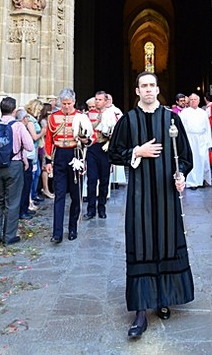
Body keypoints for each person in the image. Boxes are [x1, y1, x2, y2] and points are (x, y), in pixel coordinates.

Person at [108, 72, 194, 338]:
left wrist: (181, 175)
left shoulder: (171, 119)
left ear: (157, 89)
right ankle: (141, 310)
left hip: (166, 194)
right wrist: (137, 151)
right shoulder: (128, 120)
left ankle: (164, 298)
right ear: (137, 91)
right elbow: (114, 152)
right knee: (142, 244)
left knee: (167, 241)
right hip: (140, 195)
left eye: (152, 85)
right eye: (143, 86)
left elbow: (185, 157)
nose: (148, 89)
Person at [0, 96, 34, 245]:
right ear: (14, 110)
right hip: (14, 165)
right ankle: (9, 236)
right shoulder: (18, 126)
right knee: (13, 201)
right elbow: (30, 146)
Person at [45, 88, 92, 243]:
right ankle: (57, 233)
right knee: (59, 195)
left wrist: (85, 140)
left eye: (69, 103)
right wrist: (48, 161)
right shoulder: (53, 117)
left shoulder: (81, 117)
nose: (66, 106)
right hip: (59, 156)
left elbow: (90, 137)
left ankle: (73, 228)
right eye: (64, 104)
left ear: (74, 102)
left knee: (75, 195)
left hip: (75, 155)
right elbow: (49, 140)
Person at [84, 90, 112, 220]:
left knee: (104, 180)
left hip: (105, 148)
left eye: (100, 100)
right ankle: (91, 209)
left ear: (105, 101)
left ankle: (101, 207)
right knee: (92, 179)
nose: (97, 102)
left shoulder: (111, 114)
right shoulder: (88, 115)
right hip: (92, 148)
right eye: (96, 99)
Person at [180, 93, 212, 189]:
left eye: (195, 99)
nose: (193, 101)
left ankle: (201, 180)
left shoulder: (203, 112)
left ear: (198, 101)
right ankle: (192, 182)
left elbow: (207, 127)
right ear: (189, 101)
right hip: (190, 138)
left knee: (202, 159)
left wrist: (209, 141)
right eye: (191, 99)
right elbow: (181, 128)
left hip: (201, 139)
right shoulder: (184, 113)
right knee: (193, 159)